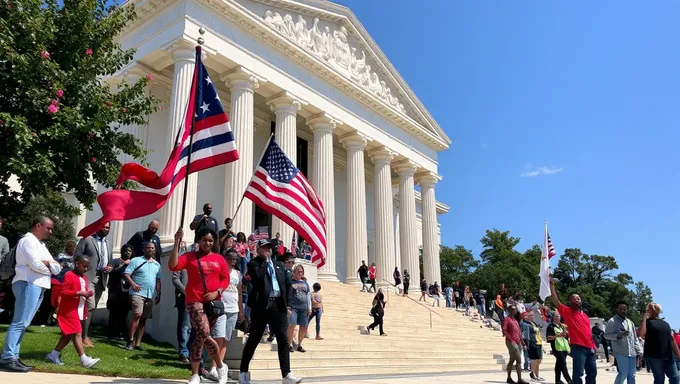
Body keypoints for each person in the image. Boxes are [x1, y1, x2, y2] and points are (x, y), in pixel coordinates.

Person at [169, 227, 230, 384]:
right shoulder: (190, 257)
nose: (207, 243)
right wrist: (176, 242)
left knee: (201, 337)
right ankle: (219, 367)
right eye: (204, 240)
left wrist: (217, 292)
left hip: (212, 304)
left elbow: (225, 279)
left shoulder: (219, 259)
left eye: (210, 240)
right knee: (203, 331)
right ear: (199, 240)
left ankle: (198, 373)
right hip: (194, 301)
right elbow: (173, 266)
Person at [0, 216, 60, 373]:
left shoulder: (40, 244)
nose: (51, 232)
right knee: (19, 322)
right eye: (49, 228)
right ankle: (7, 357)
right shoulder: (28, 241)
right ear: (39, 226)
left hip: (37, 285)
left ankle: (13, 356)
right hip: (28, 283)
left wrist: (49, 264)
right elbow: (35, 264)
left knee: (24, 323)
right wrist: (48, 265)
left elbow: (57, 268)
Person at [238, 238, 302, 384]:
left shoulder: (279, 265)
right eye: (265, 247)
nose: (268, 250)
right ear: (258, 250)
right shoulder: (253, 264)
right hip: (262, 306)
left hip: (278, 306)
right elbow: (259, 279)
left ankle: (286, 374)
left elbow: (287, 285)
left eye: (269, 247)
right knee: (254, 339)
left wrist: (289, 306)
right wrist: (266, 263)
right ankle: (243, 372)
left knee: (283, 340)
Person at [46, 255, 100, 368]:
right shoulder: (69, 275)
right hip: (69, 310)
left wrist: (87, 294)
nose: (85, 269)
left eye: (87, 267)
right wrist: (79, 293)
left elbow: (83, 292)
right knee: (77, 332)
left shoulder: (84, 278)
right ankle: (84, 359)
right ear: (76, 264)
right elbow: (64, 292)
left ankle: (53, 354)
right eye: (83, 266)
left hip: (79, 309)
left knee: (68, 335)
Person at [550, 277, 597, 384]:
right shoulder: (567, 311)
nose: (577, 299)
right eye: (574, 298)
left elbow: (588, 331)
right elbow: (556, 301)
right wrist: (552, 286)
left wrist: (594, 346)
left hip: (590, 347)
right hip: (578, 347)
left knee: (592, 373)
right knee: (578, 373)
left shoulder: (584, 315)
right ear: (570, 301)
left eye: (579, 298)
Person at [207, 248, 245, 380]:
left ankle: (220, 368)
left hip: (233, 308)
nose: (232, 261)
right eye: (230, 259)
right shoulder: (219, 271)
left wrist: (241, 311)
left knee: (225, 340)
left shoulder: (238, 274)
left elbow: (239, 292)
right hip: (220, 308)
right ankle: (212, 367)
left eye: (235, 259)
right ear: (225, 258)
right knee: (218, 337)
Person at [75, 221, 113, 347]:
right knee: (89, 307)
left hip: (101, 279)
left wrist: (110, 267)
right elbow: (77, 255)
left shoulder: (109, 244)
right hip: (88, 277)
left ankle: (78, 334)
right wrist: (83, 267)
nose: (105, 229)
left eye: (108, 227)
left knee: (91, 308)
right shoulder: (87, 239)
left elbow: (110, 260)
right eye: (103, 226)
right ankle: (83, 336)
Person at [124, 241, 162, 351]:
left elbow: (158, 280)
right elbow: (127, 274)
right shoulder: (136, 260)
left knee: (143, 319)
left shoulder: (157, 265)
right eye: (148, 248)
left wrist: (159, 293)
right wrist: (133, 284)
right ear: (144, 249)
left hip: (149, 295)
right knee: (137, 314)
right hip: (137, 293)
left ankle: (138, 343)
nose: (150, 250)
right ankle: (130, 340)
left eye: (152, 248)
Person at [639, 302, 680, 384]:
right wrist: (644, 319)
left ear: (654, 310)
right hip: (653, 355)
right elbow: (641, 333)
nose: (647, 311)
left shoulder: (665, 324)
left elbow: (672, 340)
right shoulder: (647, 323)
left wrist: (679, 355)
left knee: (675, 377)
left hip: (668, 355)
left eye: (648, 309)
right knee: (659, 378)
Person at [605, 300, 642, 384]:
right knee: (623, 374)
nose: (623, 311)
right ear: (617, 309)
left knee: (632, 375)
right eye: (620, 309)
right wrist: (618, 336)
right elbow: (606, 335)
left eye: (624, 309)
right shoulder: (612, 321)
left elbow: (635, 338)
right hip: (620, 352)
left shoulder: (630, 322)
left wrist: (639, 351)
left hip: (632, 352)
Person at [106, 244, 133, 340]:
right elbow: (110, 269)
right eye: (125, 250)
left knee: (124, 312)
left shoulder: (132, 263)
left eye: (129, 251)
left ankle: (121, 331)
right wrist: (123, 265)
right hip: (115, 289)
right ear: (122, 251)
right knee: (114, 311)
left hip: (126, 291)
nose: (127, 252)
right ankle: (111, 331)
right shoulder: (115, 261)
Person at [287, 263, 311, 353]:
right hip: (293, 307)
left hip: (304, 308)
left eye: (301, 272)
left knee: (303, 327)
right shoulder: (290, 282)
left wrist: (309, 307)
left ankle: (299, 345)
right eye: (298, 271)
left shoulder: (305, 283)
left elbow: (308, 295)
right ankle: (289, 344)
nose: (300, 273)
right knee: (292, 324)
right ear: (294, 272)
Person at [502, 305, 528, 384]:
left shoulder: (516, 321)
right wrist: (511, 340)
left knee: (512, 360)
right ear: (509, 310)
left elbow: (519, 333)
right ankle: (520, 379)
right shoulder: (507, 319)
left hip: (518, 342)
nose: (515, 310)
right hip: (511, 342)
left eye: (515, 309)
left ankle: (509, 378)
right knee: (519, 360)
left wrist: (523, 343)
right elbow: (504, 330)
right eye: (513, 309)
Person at [547, 311, 572, 384]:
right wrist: (558, 335)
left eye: (559, 316)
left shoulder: (562, 326)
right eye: (557, 316)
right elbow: (548, 338)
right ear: (553, 317)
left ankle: (557, 380)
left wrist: (567, 335)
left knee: (559, 364)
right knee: (563, 363)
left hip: (564, 347)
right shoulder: (551, 326)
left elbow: (566, 336)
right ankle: (569, 380)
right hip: (557, 348)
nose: (559, 317)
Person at [173, 265, 190, 364]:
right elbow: (175, 279)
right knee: (185, 326)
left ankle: (187, 351)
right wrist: (185, 291)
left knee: (189, 327)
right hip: (184, 298)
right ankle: (184, 353)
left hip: (197, 298)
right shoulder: (181, 265)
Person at [525, 311, 544, 381]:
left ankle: (536, 375)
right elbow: (526, 335)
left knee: (539, 360)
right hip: (533, 343)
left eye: (533, 315)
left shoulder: (534, 324)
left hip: (539, 342)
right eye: (531, 315)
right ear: (528, 316)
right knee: (535, 360)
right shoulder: (527, 324)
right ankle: (532, 373)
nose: (533, 316)